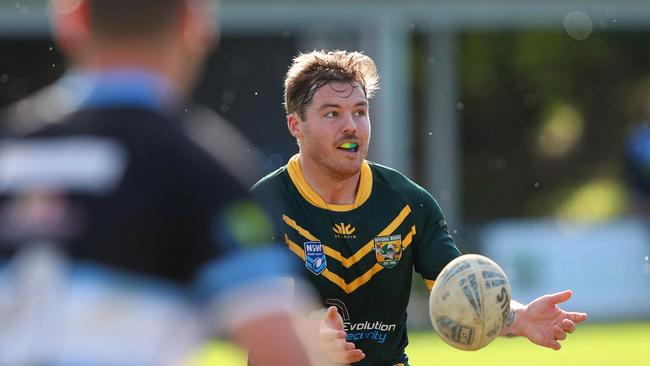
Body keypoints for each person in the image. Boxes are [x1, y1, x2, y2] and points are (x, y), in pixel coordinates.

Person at [0, 0, 314, 365]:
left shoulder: (9, 149)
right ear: (194, 24)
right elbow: (280, 350)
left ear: (71, 20)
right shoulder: (201, 169)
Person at [251, 50, 589, 366]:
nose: (351, 126)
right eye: (331, 114)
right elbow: (260, 315)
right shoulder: (264, 205)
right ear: (296, 125)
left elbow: (462, 292)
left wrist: (516, 317)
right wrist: (310, 339)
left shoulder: (408, 203)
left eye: (359, 112)